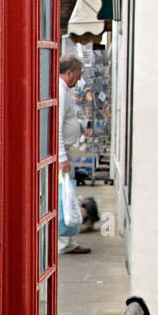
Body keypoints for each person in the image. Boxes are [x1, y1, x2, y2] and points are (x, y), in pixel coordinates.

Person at [59, 56, 90, 254]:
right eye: (78, 75)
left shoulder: (65, 90)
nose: (78, 80)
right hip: (61, 155)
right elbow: (55, 126)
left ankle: (68, 240)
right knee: (63, 198)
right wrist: (61, 157)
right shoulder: (61, 92)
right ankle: (63, 242)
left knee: (68, 196)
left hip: (65, 151)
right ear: (69, 72)